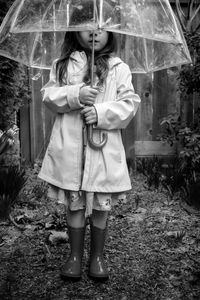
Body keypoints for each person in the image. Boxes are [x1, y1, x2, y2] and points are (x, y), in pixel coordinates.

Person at [38, 0, 140, 281]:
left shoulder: (119, 68)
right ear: (74, 30)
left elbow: (130, 104)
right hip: (72, 152)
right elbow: (48, 96)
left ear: (111, 32)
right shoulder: (62, 66)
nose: (94, 32)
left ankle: (97, 257)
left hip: (101, 151)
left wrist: (100, 112)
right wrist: (75, 95)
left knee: (100, 207)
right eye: (86, 26)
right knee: (75, 204)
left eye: (102, 27)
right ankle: (74, 256)